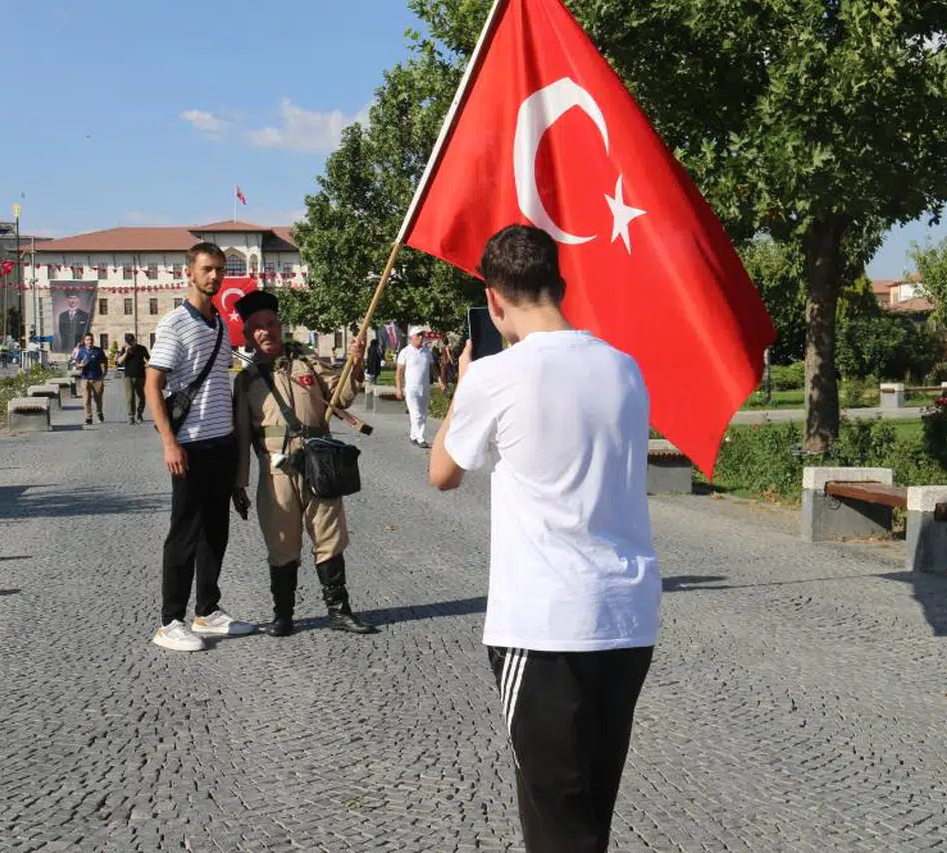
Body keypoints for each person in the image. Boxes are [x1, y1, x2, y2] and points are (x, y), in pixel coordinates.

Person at [428, 225, 661, 852]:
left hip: (544, 623)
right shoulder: (624, 368)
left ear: (493, 299)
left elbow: (443, 473)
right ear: (560, 284)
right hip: (626, 615)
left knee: (555, 821)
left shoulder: (495, 376)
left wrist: (463, 385)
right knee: (590, 815)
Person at [231, 290, 376, 637]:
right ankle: (283, 615)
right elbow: (241, 437)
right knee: (281, 542)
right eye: (258, 328)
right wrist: (239, 484)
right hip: (277, 470)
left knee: (330, 537)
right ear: (248, 335)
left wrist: (356, 363)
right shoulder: (246, 381)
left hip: (319, 464)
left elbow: (341, 396)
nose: (266, 332)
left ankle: (339, 611)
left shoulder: (307, 362)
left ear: (280, 326)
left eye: (271, 324)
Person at [146, 242, 254, 652]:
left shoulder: (220, 324)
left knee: (215, 532)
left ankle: (207, 611)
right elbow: (152, 384)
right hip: (190, 444)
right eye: (207, 269)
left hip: (221, 442)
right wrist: (169, 442)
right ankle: (169, 621)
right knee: (184, 534)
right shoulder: (175, 324)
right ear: (189, 273)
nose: (215, 276)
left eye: (220, 270)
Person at [395, 326, 441, 448]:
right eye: (418, 335)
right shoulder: (405, 352)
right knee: (416, 413)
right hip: (411, 388)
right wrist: (399, 388)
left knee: (423, 413)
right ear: (412, 337)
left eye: (422, 335)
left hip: (424, 387)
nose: (421, 337)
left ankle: (413, 436)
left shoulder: (427, 352)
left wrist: (440, 381)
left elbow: (433, 369)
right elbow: (399, 372)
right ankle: (421, 438)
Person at [117, 333, 150, 425]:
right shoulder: (124, 349)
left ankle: (139, 413)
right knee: (130, 397)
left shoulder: (142, 348)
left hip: (141, 376)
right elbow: (119, 361)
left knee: (142, 397)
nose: (130, 343)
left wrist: (148, 365)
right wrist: (126, 352)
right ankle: (131, 416)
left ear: (134, 340)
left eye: (131, 341)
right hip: (129, 376)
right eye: (128, 342)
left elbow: (148, 359)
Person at [76, 333, 108, 425]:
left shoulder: (98, 351)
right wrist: (80, 365)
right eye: (88, 340)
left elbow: (104, 362)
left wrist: (104, 373)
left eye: (91, 339)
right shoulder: (81, 351)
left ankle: (99, 413)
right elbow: (77, 363)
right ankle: (88, 417)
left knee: (98, 399)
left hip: (97, 378)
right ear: (84, 341)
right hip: (85, 378)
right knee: (86, 399)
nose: (90, 341)